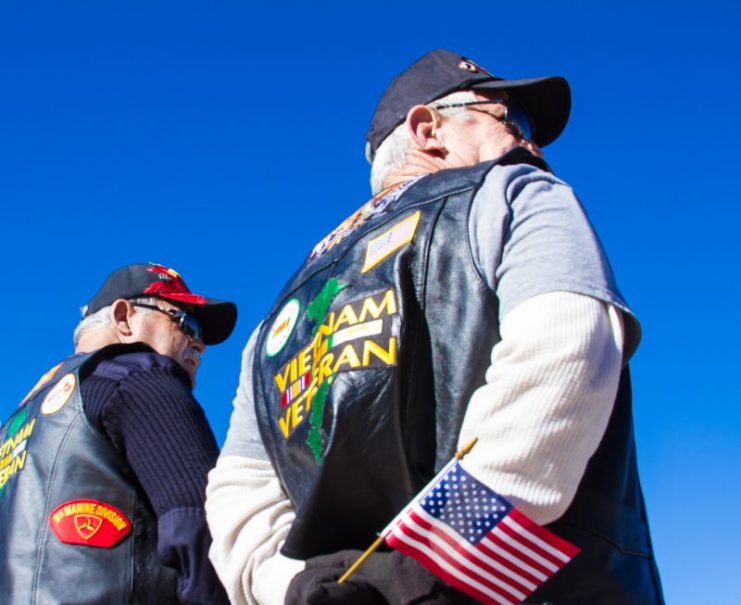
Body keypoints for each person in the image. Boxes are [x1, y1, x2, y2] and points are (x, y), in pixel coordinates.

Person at [206, 49, 664, 604]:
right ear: (429, 130)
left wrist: (299, 590)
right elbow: (565, 348)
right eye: (511, 121)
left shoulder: (276, 322)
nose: (533, 144)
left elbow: (239, 492)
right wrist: (436, 564)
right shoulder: (514, 193)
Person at [0, 262, 236, 604]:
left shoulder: (14, 429)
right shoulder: (139, 375)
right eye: (186, 322)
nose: (198, 345)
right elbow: (199, 524)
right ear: (124, 317)